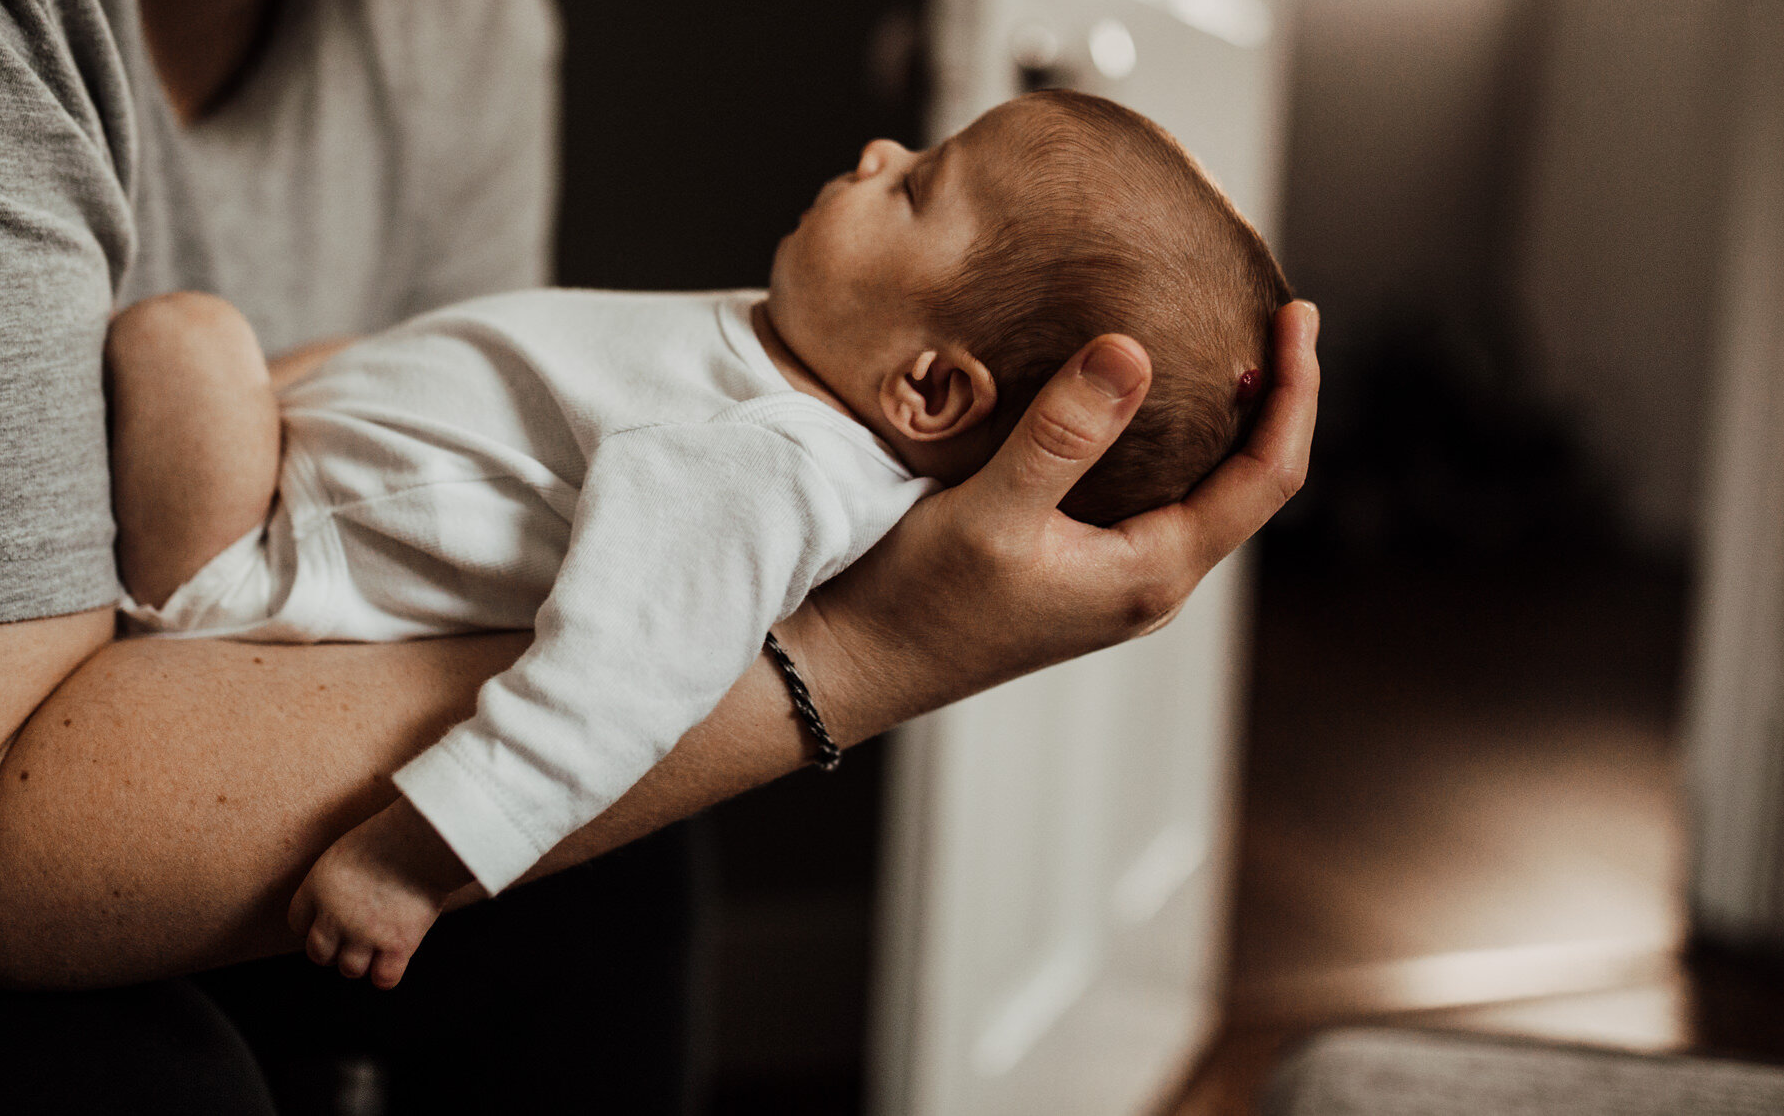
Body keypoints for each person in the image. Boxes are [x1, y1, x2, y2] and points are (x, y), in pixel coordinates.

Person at [0, 0, 1319, 1109]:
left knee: (612, 872)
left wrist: (872, 650)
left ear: (933, 382)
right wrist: (871, 648)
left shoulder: (466, 10)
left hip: (209, 610)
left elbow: (579, 617)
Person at [105, 89, 1293, 987]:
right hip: (297, 469)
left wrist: (414, 859)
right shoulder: (777, 368)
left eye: (918, 188)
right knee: (230, 354)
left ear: (929, 388)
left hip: (250, 569)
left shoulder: (769, 468)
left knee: (179, 334)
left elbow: (614, 691)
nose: (878, 156)